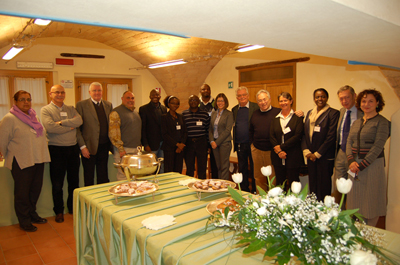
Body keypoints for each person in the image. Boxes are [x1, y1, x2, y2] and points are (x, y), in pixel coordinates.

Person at [0, 90, 51, 232]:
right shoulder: (9, 118)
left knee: (35, 190)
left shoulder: (34, 117)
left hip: (37, 159)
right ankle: (24, 220)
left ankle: (32, 214)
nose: (26, 102)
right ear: (15, 102)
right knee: (22, 193)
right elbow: (2, 141)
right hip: (21, 161)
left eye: (28, 99)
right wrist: (5, 154)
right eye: (22, 99)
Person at [347, 89, 390, 227]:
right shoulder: (356, 122)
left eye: (371, 101)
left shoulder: (382, 122)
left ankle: (369, 234)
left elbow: (378, 146)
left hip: (372, 166)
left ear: (377, 103)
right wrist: (351, 161)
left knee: (372, 202)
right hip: (354, 166)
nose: (367, 104)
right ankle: (358, 233)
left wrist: (362, 165)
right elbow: (348, 142)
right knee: (355, 202)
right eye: (364, 101)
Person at [41, 85, 82, 222]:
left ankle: (72, 208)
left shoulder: (70, 108)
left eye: (62, 92)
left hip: (73, 149)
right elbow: (50, 128)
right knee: (57, 184)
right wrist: (71, 126)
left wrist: (62, 123)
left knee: (74, 181)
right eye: (56, 92)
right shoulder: (45, 110)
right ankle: (59, 211)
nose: (60, 94)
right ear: (50, 94)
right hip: (56, 149)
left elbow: (79, 121)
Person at [302, 88, 339, 201]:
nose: (320, 99)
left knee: (324, 186)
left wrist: (317, 154)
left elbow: (331, 137)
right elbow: (304, 134)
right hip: (310, 156)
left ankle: (324, 211)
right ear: (314, 99)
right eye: (317, 97)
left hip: (324, 156)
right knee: (313, 184)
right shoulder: (309, 113)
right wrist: (307, 151)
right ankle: (313, 209)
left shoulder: (333, 113)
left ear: (327, 98)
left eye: (322, 96)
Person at [76, 82, 113, 186]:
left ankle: (101, 200)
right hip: (88, 148)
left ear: (102, 92)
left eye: (99, 90)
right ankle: (89, 202)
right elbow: (77, 129)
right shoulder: (81, 105)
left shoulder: (108, 105)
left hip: (104, 146)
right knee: (89, 177)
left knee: (103, 177)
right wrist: (82, 146)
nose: (97, 93)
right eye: (94, 90)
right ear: (89, 92)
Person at [333, 85, 363, 205]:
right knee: (338, 184)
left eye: (347, 97)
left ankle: (353, 214)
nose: (344, 101)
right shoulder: (341, 111)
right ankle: (338, 214)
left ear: (354, 96)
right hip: (341, 152)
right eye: (341, 98)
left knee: (354, 186)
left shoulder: (363, 112)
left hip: (356, 154)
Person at [270, 92, 304, 190]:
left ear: (291, 101)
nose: (283, 103)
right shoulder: (275, 119)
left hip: (293, 156)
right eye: (281, 101)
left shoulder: (297, 117)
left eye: (285, 100)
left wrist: (282, 147)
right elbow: (272, 136)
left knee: (294, 184)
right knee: (280, 184)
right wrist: (279, 151)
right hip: (278, 157)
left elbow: (297, 136)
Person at [249, 90, 280, 192]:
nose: (263, 102)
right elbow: (251, 131)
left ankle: (271, 202)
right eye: (260, 100)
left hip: (272, 151)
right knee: (259, 177)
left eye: (264, 99)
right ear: (257, 103)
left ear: (270, 99)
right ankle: (260, 199)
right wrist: (252, 146)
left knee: (272, 178)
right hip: (257, 150)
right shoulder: (255, 114)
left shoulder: (278, 112)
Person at [109, 91, 142, 181]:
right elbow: (113, 134)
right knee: (124, 175)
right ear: (122, 99)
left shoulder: (135, 112)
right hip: (124, 150)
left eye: (132, 98)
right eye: (128, 98)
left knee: (135, 175)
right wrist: (121, 149)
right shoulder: (116, 112)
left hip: (136, 149)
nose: (130, 100)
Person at [232, 86, 259, 192]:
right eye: (239, 95)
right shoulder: (234, 109)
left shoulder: (255, 107)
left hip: (253, 143)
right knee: (242, 168)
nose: (242, 97)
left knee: (254, 168)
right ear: (237, 97)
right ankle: (244, 190)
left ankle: (254, 190)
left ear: (248, 96)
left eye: (244, 95)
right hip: (240, 144)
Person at [139, 89, 167, 173]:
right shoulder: (143, 109)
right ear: (150, 97)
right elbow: (143, 128)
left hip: (162, 144)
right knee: (150, 167)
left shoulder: (163, 108)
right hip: (151, 144)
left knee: (161, 166)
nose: (155, 96)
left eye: (157, 95)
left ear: (160, 97)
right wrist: (146, 144)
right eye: (153, 95)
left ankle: (161, 183)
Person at [182, 95, 210, 179]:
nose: (193, 102)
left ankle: (202, 186)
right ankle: (189, 185)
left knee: (202, 167)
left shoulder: (204, 114)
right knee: (189, 167)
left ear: (198, 102)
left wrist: (208, 145)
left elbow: (208, 130)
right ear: (188, 102)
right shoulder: (183, 114)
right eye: (191, 100)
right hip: (188, 143)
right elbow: (182, 131)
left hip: (202, 142)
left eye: (195, 100)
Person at [209, 93, 234, 180]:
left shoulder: (229, 114)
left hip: (224, 143)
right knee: (218, 166)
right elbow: (210, 129)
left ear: (225, 102)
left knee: (224, 167)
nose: (220, 103)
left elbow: (228, 130)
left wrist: (217, 142)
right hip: (214, 143)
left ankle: (224, 186)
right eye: (218, 101)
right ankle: (219, 184)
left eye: (222, 101)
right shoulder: (213, 114)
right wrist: (212, 141)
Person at [161, 96, 187, 173]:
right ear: (168, 104)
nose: (175, 105)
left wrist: (181, 144)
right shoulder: (164, 117)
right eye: (173, 103)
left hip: (180, 149)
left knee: (178, 170)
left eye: (177, 104)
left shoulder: (181, 116)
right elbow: (164, 134)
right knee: (169, 171)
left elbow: (185, 132)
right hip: (169, 148)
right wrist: (176, 144)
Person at [199, 83, 218, 179]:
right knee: (202, 162)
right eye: (203, 89)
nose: (206, 91)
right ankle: (201, 182)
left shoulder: (215, 102)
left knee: (215, 162)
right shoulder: (197, 103)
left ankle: (215, 181)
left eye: (208, 89)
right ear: (200, 91)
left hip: (213, 137)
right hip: (202, 137)